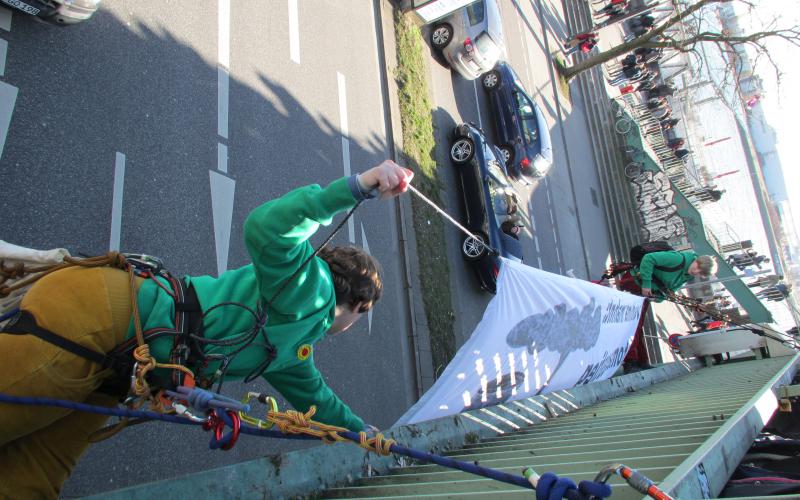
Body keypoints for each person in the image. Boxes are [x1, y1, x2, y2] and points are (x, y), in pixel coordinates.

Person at [0, 160, 414, 498]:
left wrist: (362, 434)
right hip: (103, 322)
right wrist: (357, 187)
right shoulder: (313, 291)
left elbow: (318, 400)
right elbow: (266, 228)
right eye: (362, 316)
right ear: (358, 306)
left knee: (28, 485)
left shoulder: (293, 342)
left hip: (116, 356)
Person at [611, 251, 717, 371]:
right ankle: (632, 361)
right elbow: (649, 258)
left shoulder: (688, 274)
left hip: (644, 291)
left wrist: (661, 298)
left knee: (637, 325)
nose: (696, 272)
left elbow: (671, 289)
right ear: (698, 261)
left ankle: (639, 360)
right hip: (635, 284)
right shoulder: (677, 259)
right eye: (698, 268)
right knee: (635, 324)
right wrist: (647, 283)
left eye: (700, 273)